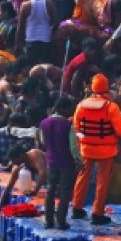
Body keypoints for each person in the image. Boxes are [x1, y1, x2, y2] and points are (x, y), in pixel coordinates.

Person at [72, 74, 121, 225]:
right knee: (102, 182)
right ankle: (97, 213)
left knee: (82, 178)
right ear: (106, 87)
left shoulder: (81, 105)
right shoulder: (111, 107)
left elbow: (76, 128)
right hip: (106, 151)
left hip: (86, 149)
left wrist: (83, 141)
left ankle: (76, 208)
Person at [40, 96, 77, 230]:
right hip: (66, 162)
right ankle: (61, 220)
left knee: (50, 190)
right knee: (65, 192)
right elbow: (73, 147)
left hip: (51, 161)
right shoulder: (68, 125)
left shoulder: (44, 123)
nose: (71, 111)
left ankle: (48, 220)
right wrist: (79, 160)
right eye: (69, 108)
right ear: (62, 108)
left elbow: (43, 142)